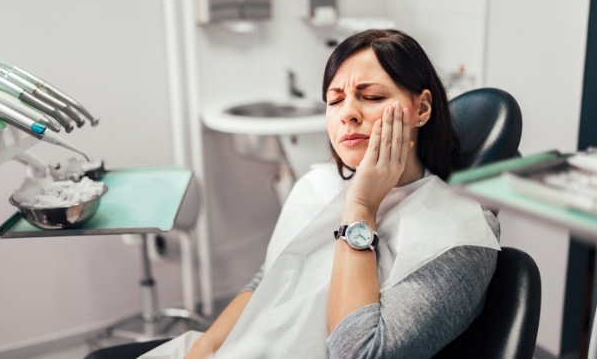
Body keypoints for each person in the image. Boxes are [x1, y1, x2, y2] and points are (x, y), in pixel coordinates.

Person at [173, 29, 499, 358]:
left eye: (371, 97)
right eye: (335, 100)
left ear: (422, 108)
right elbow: (267, 281)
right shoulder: (316, 186)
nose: (348, 113)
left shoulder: (461, 234)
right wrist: (203, 348)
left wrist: (361, 207)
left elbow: (359, 353)